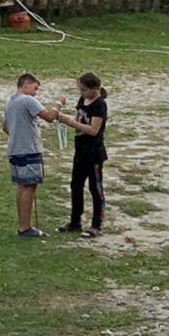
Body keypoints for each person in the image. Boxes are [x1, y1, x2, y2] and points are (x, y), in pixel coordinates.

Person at [57, 73, 108, 236]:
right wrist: (66, 118)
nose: (81, 93)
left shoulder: (100, 104)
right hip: (80, 151)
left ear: (94, 89)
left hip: (94, 153)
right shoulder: (82, 101)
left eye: (84, 90)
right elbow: (79, 119)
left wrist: (71, 122)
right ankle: (75, 221)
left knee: (95, 188)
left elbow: (93, 130)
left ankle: (96, 225)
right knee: (76, 186)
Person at [2, 73, 48, 236]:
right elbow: (49, 116)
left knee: (22, 186)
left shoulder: (10, 102)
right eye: (35, 88)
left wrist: (18, 133)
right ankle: (25, 227)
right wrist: (59, 104)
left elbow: (5, 127)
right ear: (26, 84)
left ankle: (22, 224)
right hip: (28, 149)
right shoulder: (27, 100)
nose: (36, 93)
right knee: (29, 186)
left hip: (14, 149)